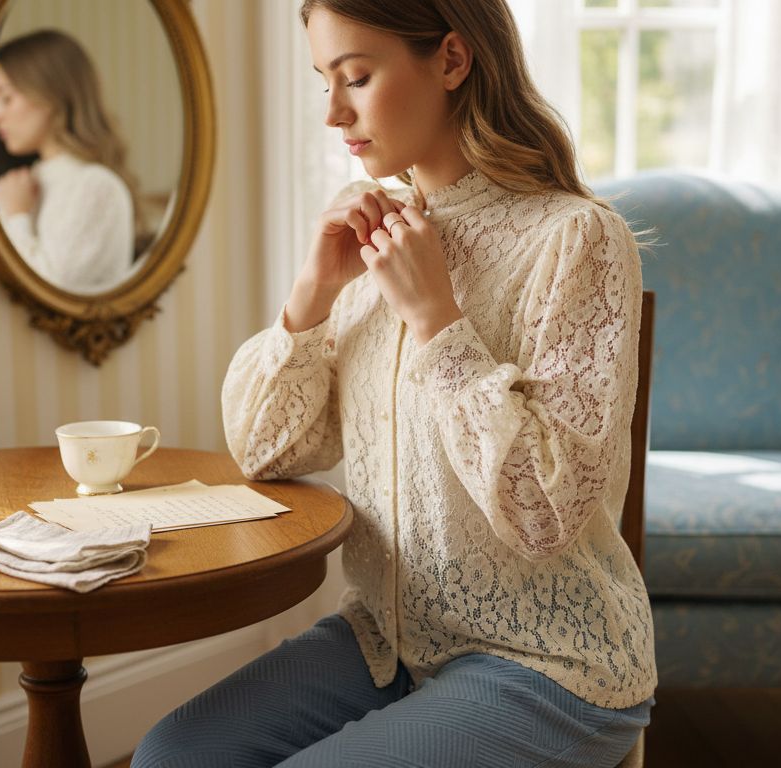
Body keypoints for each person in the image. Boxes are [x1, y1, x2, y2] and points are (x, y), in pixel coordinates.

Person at [132, 0, 655, 765]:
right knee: (170, 754)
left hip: (550, 665)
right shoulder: (375, 241)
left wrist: (439, 321)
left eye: (357, 77)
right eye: (324, 83)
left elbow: (545, 511)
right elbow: (266, 451)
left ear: (451, 59)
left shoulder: (576, 239)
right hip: (387, 644)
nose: (334, 113)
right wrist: (311, 296)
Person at [0, 29, 138, 294]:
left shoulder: (96, 187)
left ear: (50, 97)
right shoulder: (17, 184)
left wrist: (18, 217)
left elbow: (54, 295)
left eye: (6, 98)